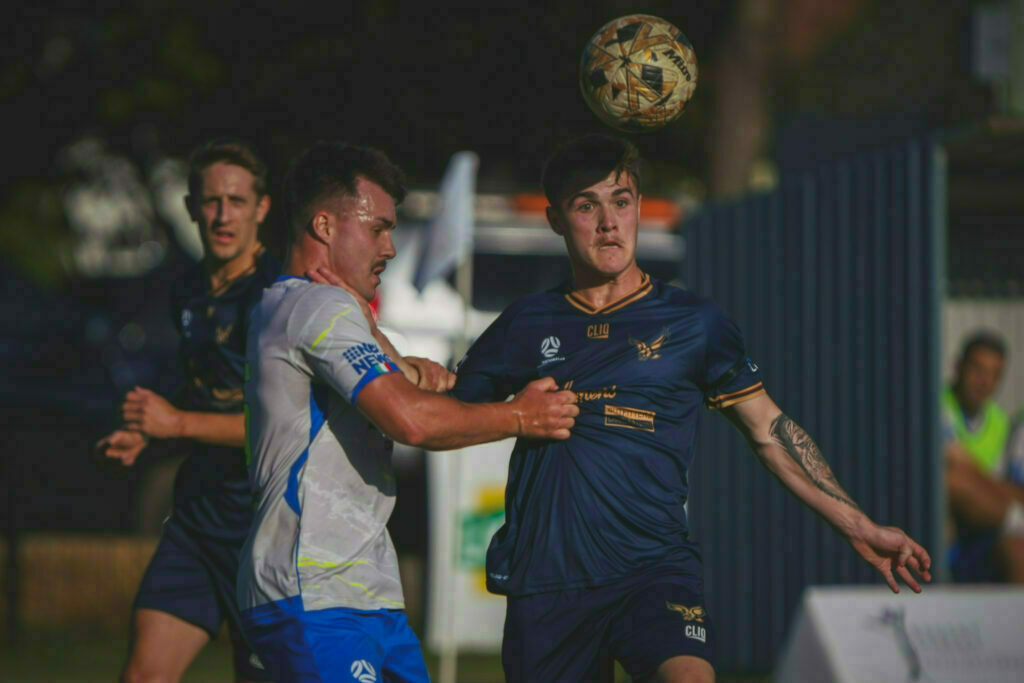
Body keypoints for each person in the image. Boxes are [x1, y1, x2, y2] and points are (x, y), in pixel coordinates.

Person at [449, 134, 932, 683]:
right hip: (548, 581)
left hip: (651, 572)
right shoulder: (526, 322)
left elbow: (770, 430)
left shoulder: (693, 322)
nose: (609, 222)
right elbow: (447, 414)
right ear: (556, 219)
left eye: (622, 201)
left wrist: (857, 524)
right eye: (587, 205)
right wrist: (406, 370)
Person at [237, 141, 579, 682]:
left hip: (365, 592)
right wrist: (520, 416)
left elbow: (403, 384)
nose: (392, 247)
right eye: (378, 228)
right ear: (324, 226)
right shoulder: (316, 306)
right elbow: (412, 420)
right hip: (314, 591)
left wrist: (391, 352)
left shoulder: (304, 304)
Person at [96, 138, 278, 682]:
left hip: (268, 532)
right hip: (199, 522)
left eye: (237, 201)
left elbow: (279, 428)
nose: (223, 215)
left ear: (261, 209)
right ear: (192, 208)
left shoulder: (278, 299)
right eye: (211, 201)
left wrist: (174, 423)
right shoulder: (187, 293)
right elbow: (197, 393)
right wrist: (150, 433)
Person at [942, 331, 1024, 583]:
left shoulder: (1001, 423)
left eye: (994, 374)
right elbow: (958, 470)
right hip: (953, 524)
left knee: (1016, 548)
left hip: (987, 528)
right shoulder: (938, 405)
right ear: (958, 366)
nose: (984, 381)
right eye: (977, 369)